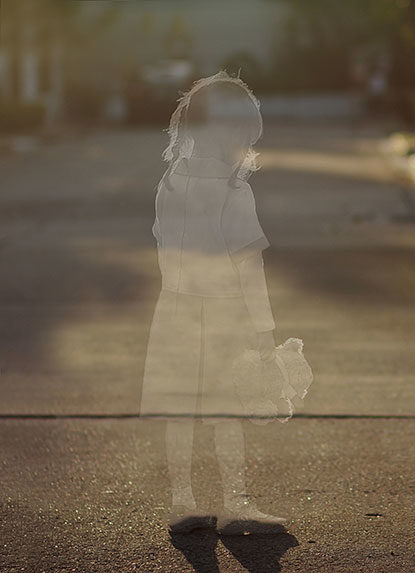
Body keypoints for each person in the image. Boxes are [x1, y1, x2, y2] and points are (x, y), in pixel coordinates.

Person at [140, 71, 284, 535]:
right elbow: (248, 266)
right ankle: (236, 503)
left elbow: (162, 241)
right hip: (222, 311)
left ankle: (182, 502)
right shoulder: (232, 189)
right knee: (226, 410)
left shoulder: (170, 183)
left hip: (175, 307)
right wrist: (263, 328)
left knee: (181, 408)